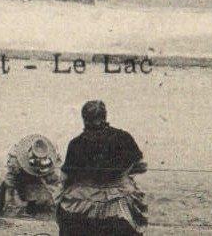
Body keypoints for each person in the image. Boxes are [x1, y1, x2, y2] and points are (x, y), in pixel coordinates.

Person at [56, 100, 147, 235]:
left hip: (81, 202)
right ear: (105, 116)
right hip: (119, 200)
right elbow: (141, 166)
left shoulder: (77, 143)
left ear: (84, 118)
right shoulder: (123, 137)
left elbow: (66, 177)